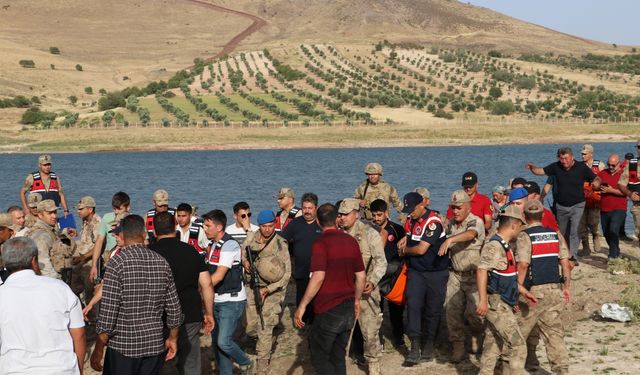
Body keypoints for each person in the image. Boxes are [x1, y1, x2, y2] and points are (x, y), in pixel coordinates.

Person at [91, 215, 183, 375]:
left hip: (123, 346)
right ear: (144, 234)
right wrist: (173, 338)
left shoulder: (117, 263)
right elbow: (174, 309)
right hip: (154, 345)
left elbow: (109, 313)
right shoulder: (161, 262)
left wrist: (99, 348)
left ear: (123, 235)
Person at [293, 203, 366, 375]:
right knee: (338, 356)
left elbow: (318, 277)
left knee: (320, 358)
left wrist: (302, 305)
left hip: (328, 308)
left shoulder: (320, 243)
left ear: (318, 221)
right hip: (348, 306)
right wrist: (356, 300)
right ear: (337, 219)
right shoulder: (351, 241)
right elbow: (361, 276)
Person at [0, 237, 86, 374]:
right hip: (61, 369)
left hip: (15, 370)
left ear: (4, 262)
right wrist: (79, 370)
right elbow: (79, 334)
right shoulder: (60, 289)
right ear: (33, 261)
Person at [149, 211, 215, 375]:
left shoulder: (148, 253)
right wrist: (208, 313)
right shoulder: (191, 252)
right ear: (176, 227)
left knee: (158, 362)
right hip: (190, 313)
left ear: (155, 232)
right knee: (190, 362)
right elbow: (206, 284)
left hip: (157, 315)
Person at [514, 199, 572, 375]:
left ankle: (511, 367)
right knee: (553, 334)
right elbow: (565, 263)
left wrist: (517, 286)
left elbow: (523, 264)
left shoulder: (525, 236)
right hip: (555, 289)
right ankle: (561, 369)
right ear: (543, 215)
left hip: (533, 292)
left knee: (519, 331)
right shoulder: (555, 234)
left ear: (524, 216)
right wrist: (567, 287)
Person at [476, 205, 532, 375]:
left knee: (493, 346)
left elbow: (505, 275)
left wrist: (520, 291)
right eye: (520, 226)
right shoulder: (494, 246)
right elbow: (481, 270)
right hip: (497, 303)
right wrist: (483, 300)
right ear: (514, 225)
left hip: (503, 301)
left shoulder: (505, 245)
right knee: (517, 344)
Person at [398, 192, 449, 366]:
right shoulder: (411, 220)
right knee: (413, 306)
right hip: (416, 272)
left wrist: (404, 251)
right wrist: (404, 240)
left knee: (433, 310)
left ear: (422, 206)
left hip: (436, 273)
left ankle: (429, 344)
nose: (409, 213)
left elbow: (421, 249)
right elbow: (410, 236)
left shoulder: (433, 222)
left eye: (411, 209)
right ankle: (414, 346)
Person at [525, 147, 601, 262]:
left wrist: (597, 183)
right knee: (562, 232)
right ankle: (564, 254)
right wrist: (532, 168)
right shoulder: (556, 167)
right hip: (561, 206)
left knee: (575, 231)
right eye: (561, 159)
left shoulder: (581, 167)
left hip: (578, 205)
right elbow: (540, 171)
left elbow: (595, 177)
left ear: (572, 157)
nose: (564, 161)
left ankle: (573, 256)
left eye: (566, 158)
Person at [337, 198, 386, 375]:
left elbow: (381, 262)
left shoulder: (369, 233)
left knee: (370, 331)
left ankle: (373, 367)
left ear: (356, 214)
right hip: (342, 292)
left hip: (367, 292)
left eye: (346, 214)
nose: (342, 217)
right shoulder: (337, 234)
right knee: (341, 332)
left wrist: (372, 281)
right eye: (340, 214)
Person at [202, 209, 253, 375]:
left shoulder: (230, 245)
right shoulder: (213, 245)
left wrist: (200, 289)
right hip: (216, 299)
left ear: (219, 227)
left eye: (208, 225)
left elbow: (218, 276)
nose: (204, 228)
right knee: (218, 344)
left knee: (224, 342)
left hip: (231, 301)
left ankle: (245, 361)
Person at [242, 210, 291, 375]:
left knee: (265, 326)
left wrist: (268, 289)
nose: (268, 229)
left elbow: (287, 274)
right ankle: (266, 338)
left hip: (272, 290)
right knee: (250, 327)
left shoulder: (280, 244)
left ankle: (262, 367)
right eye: (264, 226)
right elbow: (242, 255)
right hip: (252, 287)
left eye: (271, 226)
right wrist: (245, 264)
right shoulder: (250, 239)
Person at [440, 190, 486, 363]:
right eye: (453, 208)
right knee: (451, 311)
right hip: (455, 274)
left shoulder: (476, 221)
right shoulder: (450, 223)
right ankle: (457, 344)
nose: (456, 211)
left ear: (468, 207)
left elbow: (471, 234)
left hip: (474, 276)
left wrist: (450, 240)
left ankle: (477, 334)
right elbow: (437, 235)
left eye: (459, 207)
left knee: (474, 314)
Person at [279, 192, 322, 325]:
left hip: (319, 270)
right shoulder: (295, 223)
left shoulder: (322, 224)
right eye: (304, 208)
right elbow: (281, 240)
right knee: (302, 298)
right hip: (301, 270)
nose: (307, 211)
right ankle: (302, 323)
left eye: (310, 208)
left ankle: (316, 324)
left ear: (316, 208)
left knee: (318, 300)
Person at [370, 198, 406, 349]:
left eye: (379, 215)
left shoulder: (397, 229)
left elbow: (404, 248)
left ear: (386, 213)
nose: (376, 218)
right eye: (374, 215)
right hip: (376, 274)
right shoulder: (370, 229)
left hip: (393, 275)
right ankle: (379, 340)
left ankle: (399, 338)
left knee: (396, 309)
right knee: (376, 309)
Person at [27, 199, 75, 280]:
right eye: (50, 213)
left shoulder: (50, 229)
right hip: (48, 280)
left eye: (55, 212)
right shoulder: (41, 236)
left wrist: (65, 233)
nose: (54, 216)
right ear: (40, 215)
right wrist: (57, 282)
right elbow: (44, 266)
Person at [89, 191, 131, 281]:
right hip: (109, 259)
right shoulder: (107, 218)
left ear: (128, 207)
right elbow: (99, 241)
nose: (116, 212)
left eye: (120, 209)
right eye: (114, 209)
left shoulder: (132, 220)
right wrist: (94, 265)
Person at [70, 196, 101, 314]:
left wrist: (83, 257)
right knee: (72, 287)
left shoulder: (97, 222)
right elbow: (86, 240)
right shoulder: (85, 221)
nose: (78, 212)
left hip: (90, 263)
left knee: (89, 292)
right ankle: (80, 313)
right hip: (82, 261)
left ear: (90, 209)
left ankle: (92, 318)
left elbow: (98, 245)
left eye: (81, 209)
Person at [598, 154, 627, 259]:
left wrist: (611, 190)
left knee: (613, 230)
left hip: (619, 207)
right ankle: (616, 251)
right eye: (608, 164)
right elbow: (596, 184)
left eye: (613, 165)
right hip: (604, 207)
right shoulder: (603, 173)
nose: (610, 167)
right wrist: (595, 185)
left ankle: (612, 256)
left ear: (619, 164)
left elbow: (627, 193)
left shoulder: (624, 174)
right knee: (606, 233)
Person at [578, 144, 605, 256]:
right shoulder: (578, 166)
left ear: (591, 154)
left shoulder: (599, 165)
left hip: (595, 200)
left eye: (585, 154)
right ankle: (585, 247)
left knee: (594, 224)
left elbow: (604, 180)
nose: (582, 156)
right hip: (581, 200)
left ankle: (595, 237)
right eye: (581, 154)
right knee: (581, 225)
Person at [618, 140, 640, 246]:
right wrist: (630, 194)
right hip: (638, 206)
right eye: (639, 147)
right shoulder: (632, 164)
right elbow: (621, 184)